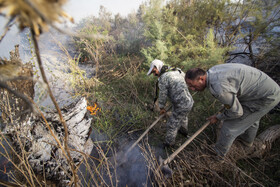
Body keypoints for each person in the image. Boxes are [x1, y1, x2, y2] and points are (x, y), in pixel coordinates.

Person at [185, 63, 280, 158]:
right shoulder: (212, 71)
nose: (192, 89)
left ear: (201, 79)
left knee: (229, 127)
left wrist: (218, 117)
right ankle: (246, 142)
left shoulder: (219, 89)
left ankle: (218, 155)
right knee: (251, 117)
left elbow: (236, 112)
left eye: (193, 85)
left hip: (266, 97)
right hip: (263, 88)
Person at [147, 59, 194, 146]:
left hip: (181, 104)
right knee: (183, 116)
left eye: (154, 71)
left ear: (157, 67)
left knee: (172, 125)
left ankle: (169, 144)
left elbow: (162, 94)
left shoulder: (163, 78)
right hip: (189, 101)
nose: (154, 74)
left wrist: (161, 107)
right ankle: (184, 133)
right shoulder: (176, 70)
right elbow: (187, 82)